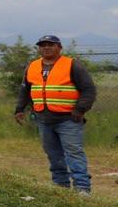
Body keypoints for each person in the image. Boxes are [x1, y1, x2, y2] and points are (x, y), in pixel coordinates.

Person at [15, 35, 96, 194]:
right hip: (43, 119)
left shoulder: (72, 65)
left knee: (74, 153)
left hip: (69, 120)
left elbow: (89, 90)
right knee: (53, 155)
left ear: (59, 47)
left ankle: (82, 189)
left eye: (50, 44)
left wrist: (79, 109)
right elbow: (25, 90)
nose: (46, 47)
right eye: (43, 45)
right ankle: (60, 188)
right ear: (39, 48)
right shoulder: (32, 66)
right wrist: (19, 109)